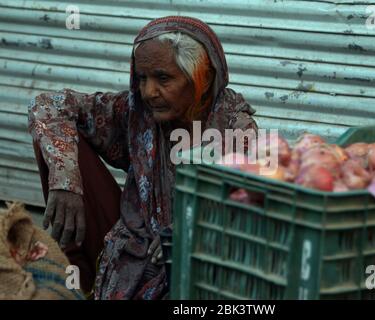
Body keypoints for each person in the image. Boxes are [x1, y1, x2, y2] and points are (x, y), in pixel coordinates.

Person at [28, 16, 258, 299]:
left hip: (198, 257)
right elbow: (48, 106)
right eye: (142, 78)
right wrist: (65, 181)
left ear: (202, 76)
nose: (149, 92)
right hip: (133, 239)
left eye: (163, 78)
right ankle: (82, 277)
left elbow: (250, 199)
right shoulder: (135, 111)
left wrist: (190, 225)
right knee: (54, 142)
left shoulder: (236, 127)